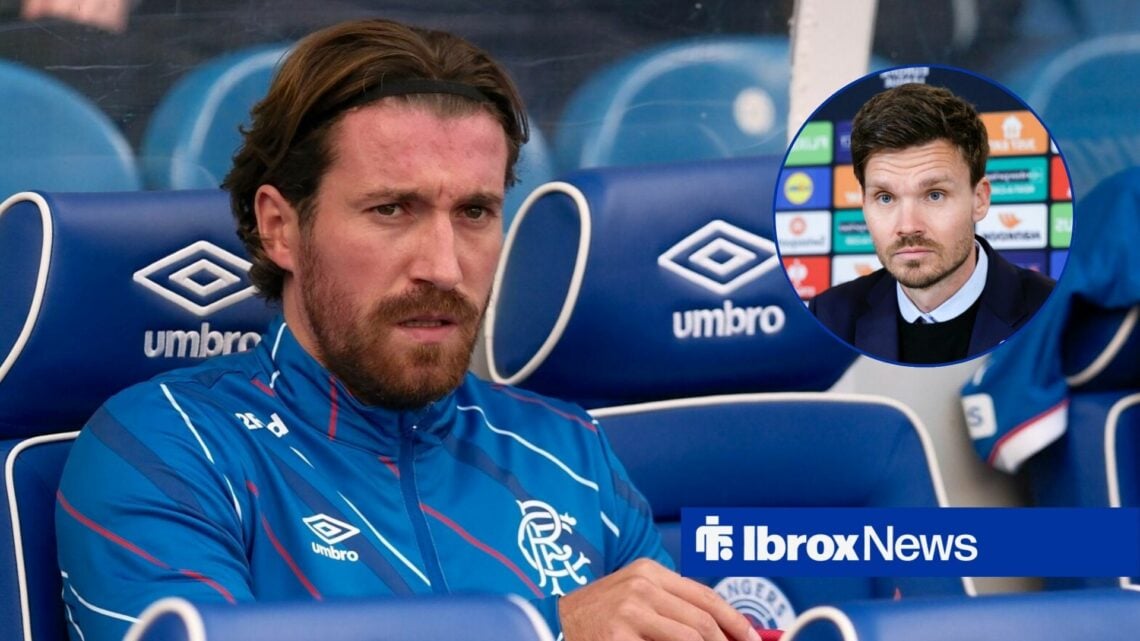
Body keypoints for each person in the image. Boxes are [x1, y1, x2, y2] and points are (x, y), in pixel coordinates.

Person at [53, 18, 760, 641]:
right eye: (393, 209)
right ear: (281, 228)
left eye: (476, 212)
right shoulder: (164, 446)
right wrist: (547, 629)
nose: (444, 266)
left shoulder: (569, 450)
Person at [808, 82, 1055, 364]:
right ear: (863, 204)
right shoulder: (829, 316)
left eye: (934, 195)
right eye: (886, 198)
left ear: (980, 199)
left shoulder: (1049, 311)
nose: (908, 226)